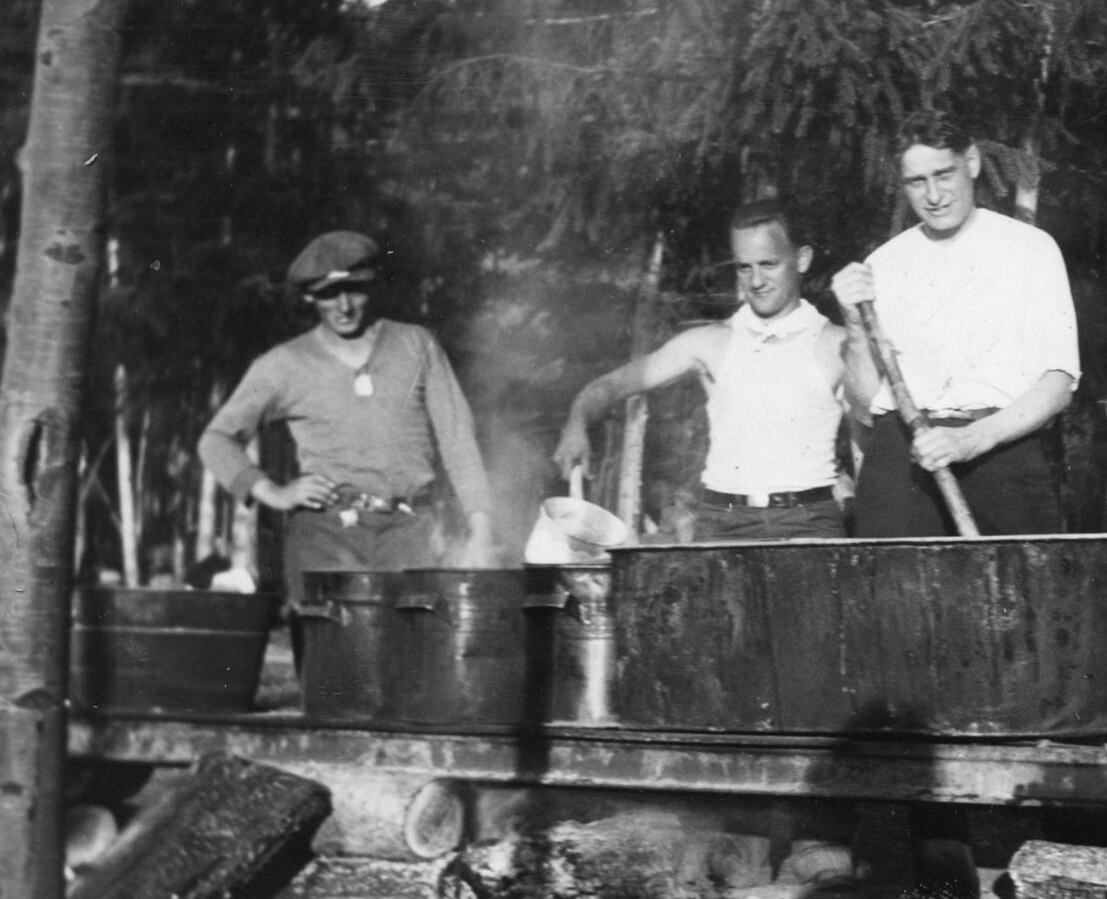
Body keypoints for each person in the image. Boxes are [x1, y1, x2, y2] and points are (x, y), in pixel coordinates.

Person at [199, 231, 497, 606]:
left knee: (410, 656)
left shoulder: (416, 346)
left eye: (354, 290)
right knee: (331, 659)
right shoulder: (285, 364)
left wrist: (481, 529)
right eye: (327, 294)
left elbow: (458, 439)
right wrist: (272, 492)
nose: (343, 306)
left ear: (372, 287)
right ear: (310, 297)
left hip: (409, 535)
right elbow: (216, 440)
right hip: (325, 540)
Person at [830, 113, 1080, 537]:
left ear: (973, 163)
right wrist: (854, 326)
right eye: (916, 181)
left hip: (1001, 453)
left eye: (944, 174)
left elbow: (1058, 384)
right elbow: (861, 405)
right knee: (894, 597)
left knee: (1018, 594)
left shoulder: (1029, 249)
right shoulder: (883, 265)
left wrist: (973, 439)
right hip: (903, 456)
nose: (933, 195)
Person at [552, 201, 848, 541]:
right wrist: (576, 423)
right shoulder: (709, 342)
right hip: (724, 523)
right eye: (743, 267)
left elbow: (875, 429)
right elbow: (612, 385)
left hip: (809, 522)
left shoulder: (837, 342)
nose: (756, 281)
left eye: (769, 264)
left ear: (803, 259)